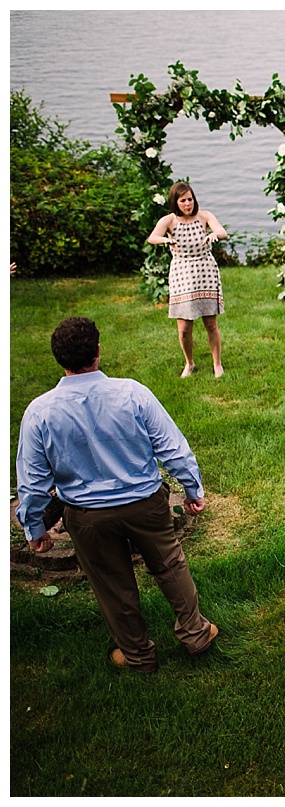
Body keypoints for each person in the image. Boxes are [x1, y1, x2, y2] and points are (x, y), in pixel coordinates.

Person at [15, 317, 218, 673]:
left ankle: (138, 655)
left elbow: (31, 483)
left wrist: (35, 528)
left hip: (86, 516)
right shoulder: (132, 393)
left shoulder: (40, 412)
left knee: (113, 584)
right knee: (171, 566)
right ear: (97, 350)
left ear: (58, 359)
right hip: (145, 504)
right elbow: (173, 449)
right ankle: (196, 634)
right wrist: (192, 489)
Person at [147, 181, 228, 378]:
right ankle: (189, 363)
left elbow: (222, 232)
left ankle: (217, 364)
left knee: (211, 324)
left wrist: (213, 235)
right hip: (181, 274)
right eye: (183, 201)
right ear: (176, 202)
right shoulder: (169, 220)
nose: (187, 204)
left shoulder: (204, 216)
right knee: (184, 328)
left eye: (190, 199)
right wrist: (166, 239)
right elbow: (152, 237)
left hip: (205, 272)